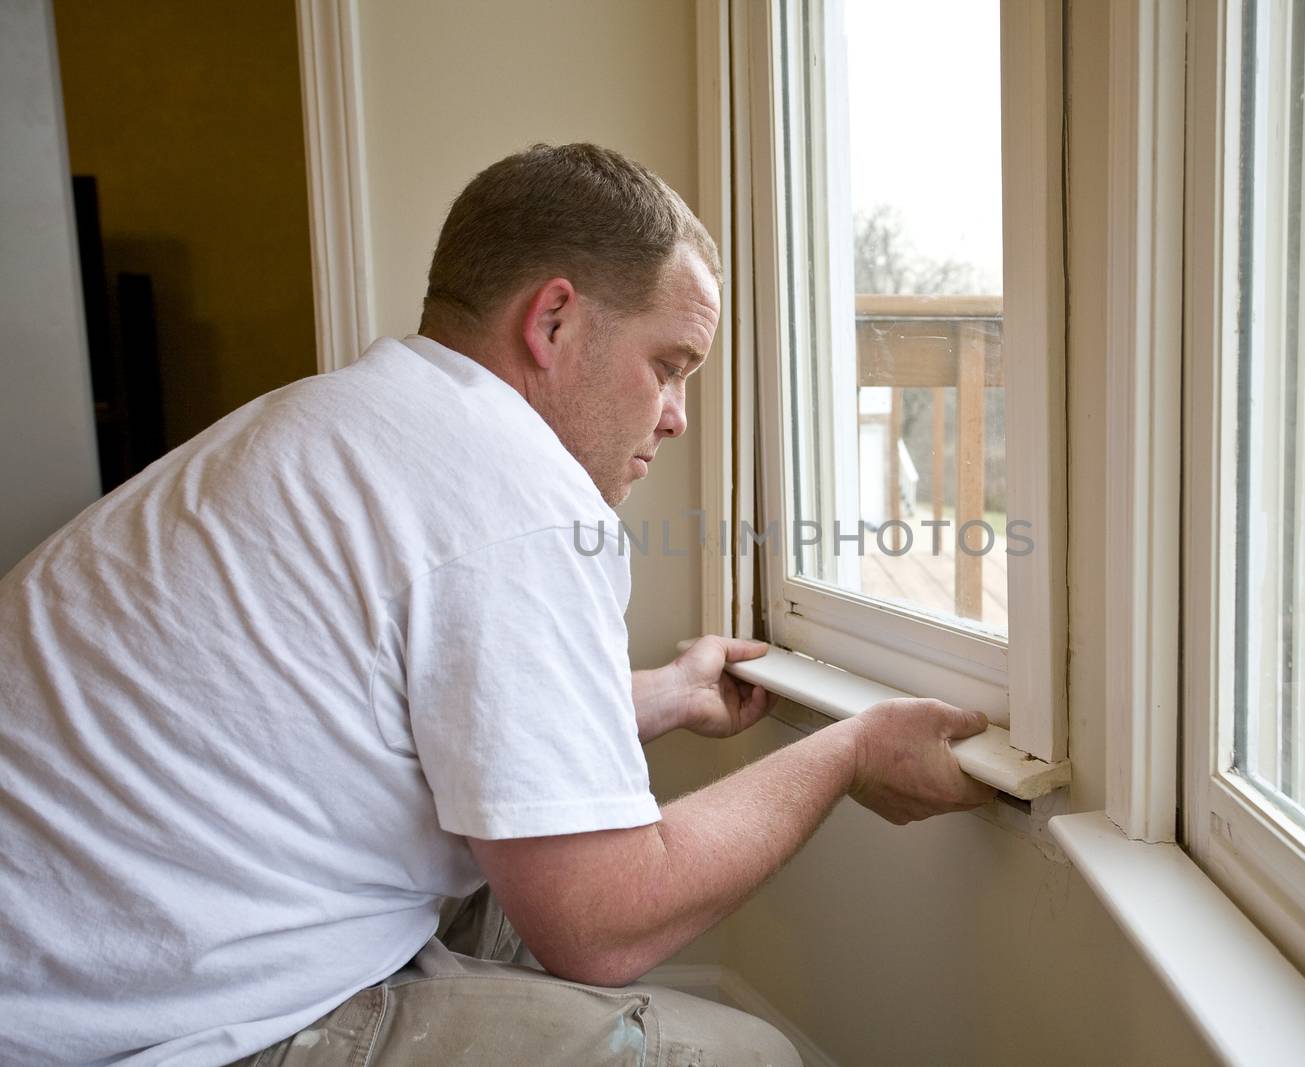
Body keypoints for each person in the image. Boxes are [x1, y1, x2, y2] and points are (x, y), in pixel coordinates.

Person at [0, 143, 995, 1066]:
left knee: (511, 884)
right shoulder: (512, 499)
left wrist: (657, 693)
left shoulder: (344, 423)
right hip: (134, 1024)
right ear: (552, 320)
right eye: (668, 364)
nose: (678, 414)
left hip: (77, 958)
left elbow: (392, 710)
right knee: (747, 1057)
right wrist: (847, 750)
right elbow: (604, 923)